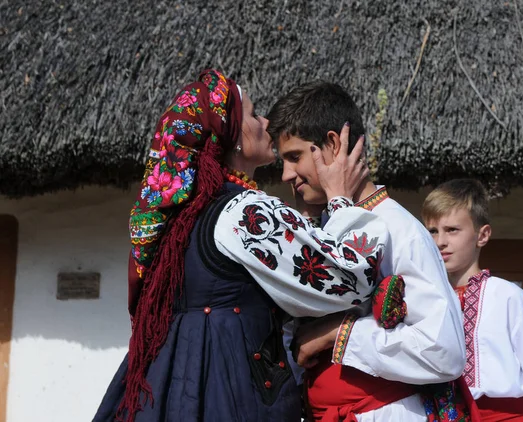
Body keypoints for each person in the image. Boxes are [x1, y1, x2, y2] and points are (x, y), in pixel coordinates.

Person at [93, 69, 392, 422]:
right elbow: (348, 281)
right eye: (252, 115)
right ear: (230, 135)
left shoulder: (189, 214)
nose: (265, 122)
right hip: (227, 391)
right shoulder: (245, 211)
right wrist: (340, 199)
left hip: (175, 386)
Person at [267, 81, 468, 421]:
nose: (287, 174)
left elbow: (444, 350)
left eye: (295, 157)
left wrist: (337, 334)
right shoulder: (321, 228)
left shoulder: (397, 228)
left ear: (333, 145)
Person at [422, 179, 523, 421]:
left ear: (483, 235)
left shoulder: (508, 297)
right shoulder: (425, 299)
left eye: (452, 230)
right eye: (433, 231)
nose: (440, 242)